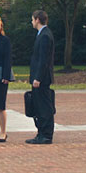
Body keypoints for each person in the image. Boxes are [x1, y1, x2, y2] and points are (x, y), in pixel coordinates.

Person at [27, 10, 56, 145]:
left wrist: (38, 77)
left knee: (44, 107)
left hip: (42, 78)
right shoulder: (42, 34)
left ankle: (46, 135)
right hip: (40, 77)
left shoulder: (45, 36)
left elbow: (43, 60)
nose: (32, 22)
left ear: (37, 19)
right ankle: (41, 133)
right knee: (39, 106)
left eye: (32, 19)